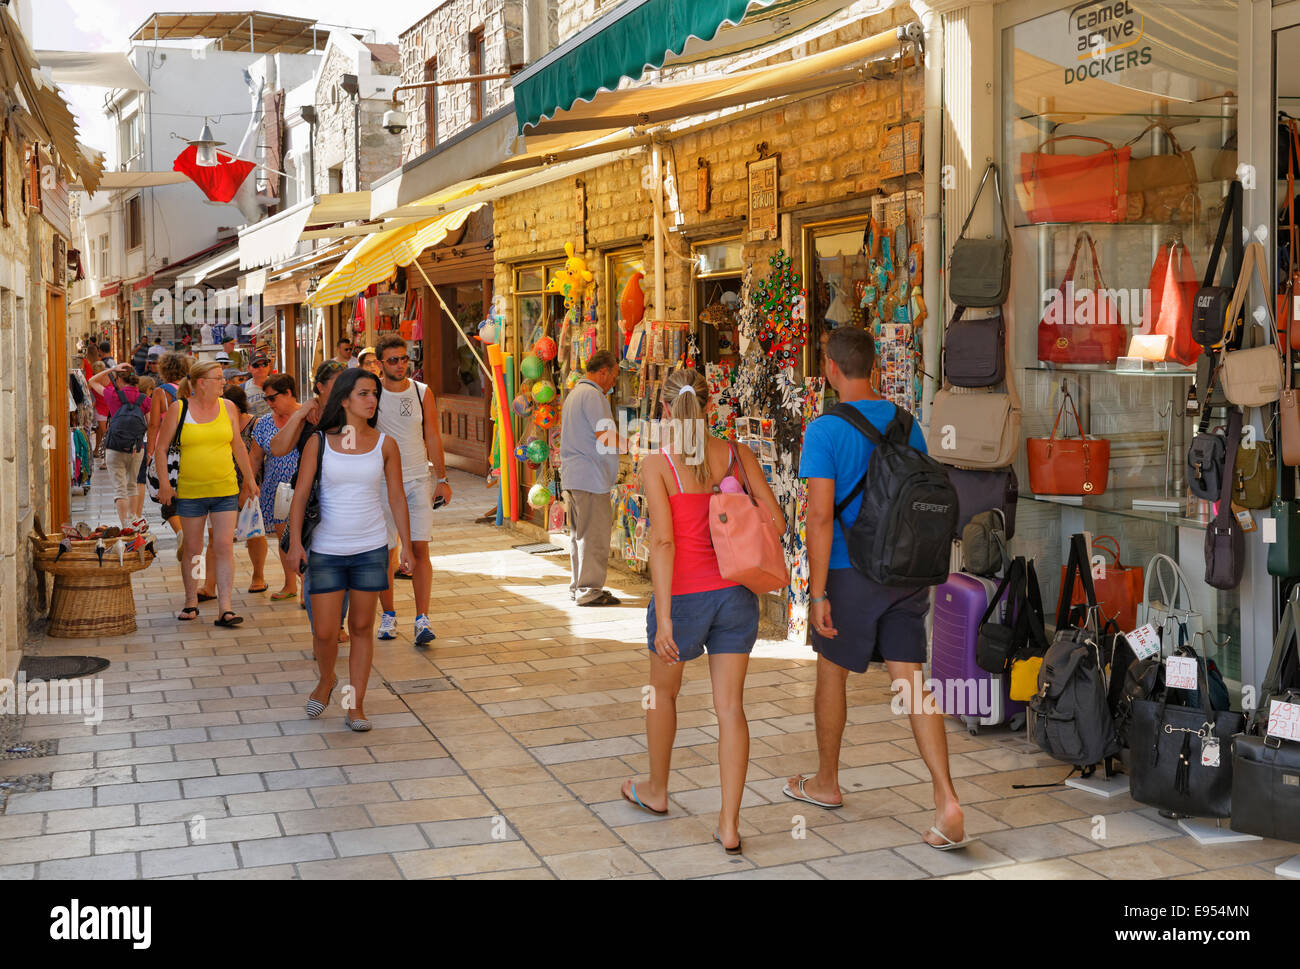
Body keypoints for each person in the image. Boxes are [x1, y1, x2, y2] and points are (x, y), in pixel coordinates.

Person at [787, 328, 967, 850]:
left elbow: (820, 517)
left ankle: (825, 783)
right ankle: (946, 801)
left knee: (831, 673)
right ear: (874, 368)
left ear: (830, 368)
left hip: (851, 573)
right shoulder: (907, 424)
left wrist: (817, 593)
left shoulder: (824, 431)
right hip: (907, 574)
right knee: (912, 682)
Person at [619, 368, 784, 854]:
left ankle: (656, 790)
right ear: (710, 405)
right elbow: (774, 518)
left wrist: (665, 617)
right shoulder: (736, 453)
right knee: (730, 708)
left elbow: (663, 541)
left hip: (684, 598)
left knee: (662, 696)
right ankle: (729, 825)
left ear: (666, 409)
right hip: (735, 594)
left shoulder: (658, 464)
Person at [287, 368, 413, 731]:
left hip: (371, 546)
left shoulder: (386, 444)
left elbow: (396, 497)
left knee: (360, 626)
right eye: (363, 393)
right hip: (326, 549)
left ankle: (354, 704)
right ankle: (326, 680)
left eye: (375, 394)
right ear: (344, 399)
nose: (372, 400)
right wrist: (296, 543)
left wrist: (404, 546)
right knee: (325, 631)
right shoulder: (319, 442)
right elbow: (299, 497)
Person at [154, 360, 258, 627]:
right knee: (193, 548)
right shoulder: (180, 409)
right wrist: (165, 484)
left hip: (225, 489)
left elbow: (237, 444)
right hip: (190, 491)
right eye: (219, 378)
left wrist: (249, 478)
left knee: (223, 546)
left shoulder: (229, 407)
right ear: (201, 383)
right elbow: (161, 448)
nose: (224, 382)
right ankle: (191, 600)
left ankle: (226, 607)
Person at [373, 332, 452, 646]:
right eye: (393, 360)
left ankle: (422, 619)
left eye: (405, 358)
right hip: (381, 483)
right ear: (380, 364)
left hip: (418, 480)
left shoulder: (422, 392)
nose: (401, 365)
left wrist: (442, 480)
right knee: (384, 553)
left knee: (420, 550)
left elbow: (432, 434)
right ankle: (389, 615)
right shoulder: (372, 393)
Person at [269, 359, 350, 643]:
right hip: (313, 503)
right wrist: (301, 412)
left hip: (346, 500)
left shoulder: (352, 413)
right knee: (315, 570)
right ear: (320, 387)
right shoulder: (308, 415)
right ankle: (320, 632)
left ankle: (336, 624)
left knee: (344, 569)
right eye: (337, 383)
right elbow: (278, 448)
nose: (344, 389)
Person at [559, 349, 623, 606]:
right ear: (604, 371)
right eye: (614, 376)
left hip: (574, 476)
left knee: (579, 535)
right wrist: (636, 444)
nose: (614, 383)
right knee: (593, 535)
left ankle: (579, 585)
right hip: (591, 477)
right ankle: (589, 590)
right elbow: (605, 437)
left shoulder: (575, 393)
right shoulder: (594, 396)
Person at [196, 385, 270, 599]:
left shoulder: (255, 424)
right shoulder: (215, 423)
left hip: (250, 487)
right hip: (221, 485)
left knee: (254, 533)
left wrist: (250, 485)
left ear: (238, 407)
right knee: (214, 537)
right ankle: (209, 585)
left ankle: (258, 576)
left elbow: (258, 457)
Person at [249, 373, 302, 600]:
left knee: (305, 536)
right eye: (266, 399)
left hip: (304, 486)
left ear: (288, 393)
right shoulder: (264, 423)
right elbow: (254, 457)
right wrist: (248, 485)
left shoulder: (307, 416)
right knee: (285, 538)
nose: (269, 404)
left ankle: (306, 585)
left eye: (272, 398)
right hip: (275, 488)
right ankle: (290, 584)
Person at [88, 363, 152, 528]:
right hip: (136, 448)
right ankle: (133, 518)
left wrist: (112, 369)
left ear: (118, 379)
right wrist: (150, 450)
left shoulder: (112, 395)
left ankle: (125, 526)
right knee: (132, 485)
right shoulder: (144, 399)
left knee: (119, 488)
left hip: (114, 447)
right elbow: (151, 425)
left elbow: (92, 381)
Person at [141, 352, 189, 549]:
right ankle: (187, 532)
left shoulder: (161, 393)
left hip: (167, 449)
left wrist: (150, 452)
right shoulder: (191, 390)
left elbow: (153, 425)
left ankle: (181, 532)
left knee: (167, 494)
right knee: (187, 492)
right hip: (188, 446)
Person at [244, 354, 272, 418]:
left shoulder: (278, 384)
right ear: (249, 368)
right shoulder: (243, 388)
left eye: (264, 364)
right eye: (256, 365)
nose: (261, 368)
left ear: (269, 366)